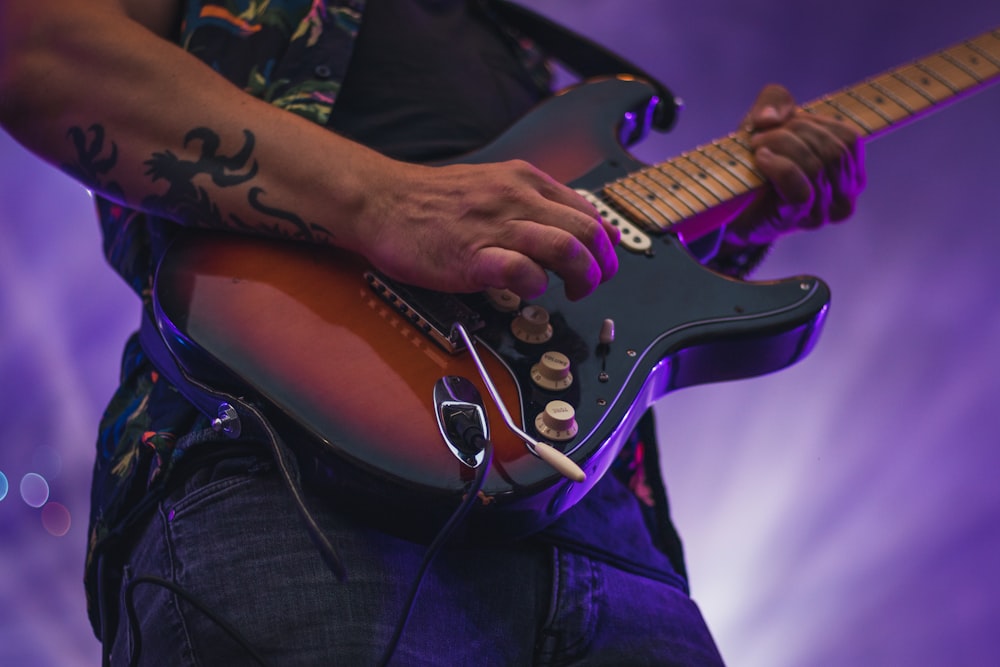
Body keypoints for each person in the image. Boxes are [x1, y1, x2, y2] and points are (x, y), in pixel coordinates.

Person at [0, 0, 865, 664]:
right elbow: (34, 45)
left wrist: (742, 222)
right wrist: (385, 199)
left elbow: (584, 276)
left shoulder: (518, 45)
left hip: (595, 514)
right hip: (282, 473)